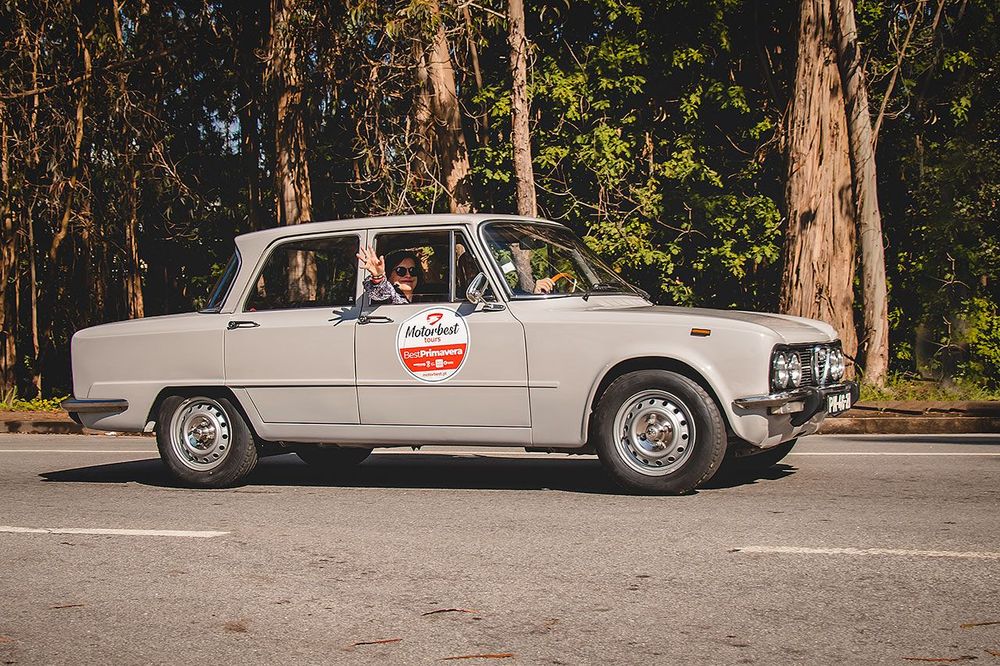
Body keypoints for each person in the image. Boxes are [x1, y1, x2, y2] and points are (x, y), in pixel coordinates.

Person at [357, 245, 421, 304]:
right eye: (401, 271)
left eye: (412, 270)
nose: (408, 275)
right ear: (389, 274)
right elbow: (379, 292)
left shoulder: (425, 299)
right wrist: (378, 277)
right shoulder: (388, 296)